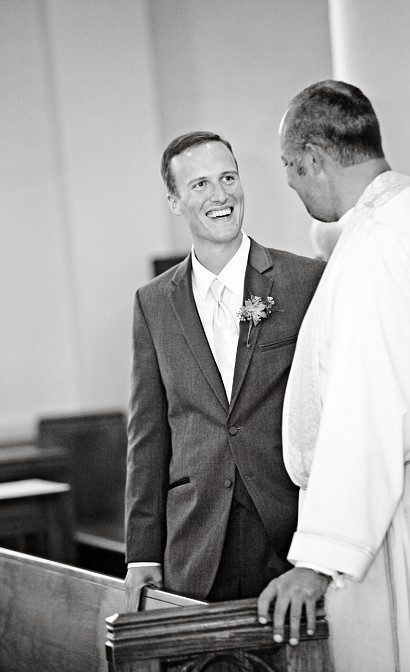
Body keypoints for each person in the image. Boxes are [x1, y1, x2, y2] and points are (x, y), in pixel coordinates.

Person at [256, 80, 410, 672]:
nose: (292, 185)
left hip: (384, 525)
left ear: (312, 158)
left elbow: (367, 406)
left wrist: (317, 560)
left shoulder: (379, 248)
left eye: (291, 171)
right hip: (399, 499)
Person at [124, 131, 325, 609]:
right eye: (199, 185)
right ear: (174, 201)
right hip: (194, 541)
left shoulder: (304, 282)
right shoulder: (152, 303)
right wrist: (141, 552)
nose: (220, 195)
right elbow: (147, 433)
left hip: (289, 534)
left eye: (228, 178)